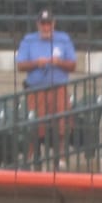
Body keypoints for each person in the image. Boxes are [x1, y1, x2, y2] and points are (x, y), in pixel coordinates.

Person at [13, 9, 77, 138]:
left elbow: (73, 65)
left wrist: (59, 62)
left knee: (62, 125)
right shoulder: (28, 40)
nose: (46, 27)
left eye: (49, 24)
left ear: (54, 24)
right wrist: (37, 63)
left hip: (59, 88)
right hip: (36, 89)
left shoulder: (63, 39)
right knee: (35, 128)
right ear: (38, 25)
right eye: (43, 24)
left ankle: (61, 157)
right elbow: (20, 65)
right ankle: (34, 156)